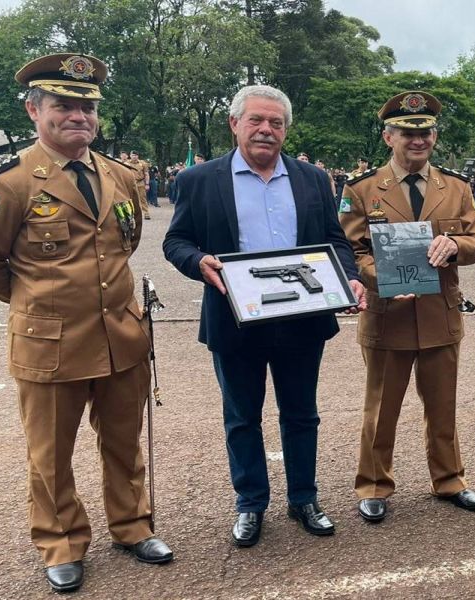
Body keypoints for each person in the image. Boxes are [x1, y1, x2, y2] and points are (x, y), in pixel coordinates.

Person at [0, 53, 172, 594]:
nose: (78, 115)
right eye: (63, 104)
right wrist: (38, 302)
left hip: (121, 333)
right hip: (49, 342)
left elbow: (123, 247)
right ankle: (61, 543)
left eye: (87, 106)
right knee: (50, 454)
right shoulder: (6, 182)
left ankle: (131, 525)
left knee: (123, 442)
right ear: (35, 110)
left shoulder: (120, 177)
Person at [163, 84, 366, 547]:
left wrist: (348, 276)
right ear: (234, 124)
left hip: (302, 318)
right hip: (235, 318)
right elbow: (177, 241)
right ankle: (251, 504)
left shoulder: (313, 179)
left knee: (301, 414)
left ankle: (303, 498)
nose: (265, 130)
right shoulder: (199, 180)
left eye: (275, 123)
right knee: (241, 416)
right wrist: (198, 263)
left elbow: (335, 240)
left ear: (286, 130)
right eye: (256, 120)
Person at [338, 91, 475, 523]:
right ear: (389, 136)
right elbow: (351, 250)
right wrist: (379, 277)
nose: (417, 140)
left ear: (435, 137)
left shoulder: (456, 188)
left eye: (424, 133)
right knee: (381, 409)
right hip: (389, 314)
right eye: (407, 132)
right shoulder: (363, 189)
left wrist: (455, 245)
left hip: (440, 311)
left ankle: (449, 479)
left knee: (443, 405)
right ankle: (373, 484)